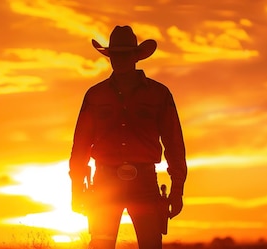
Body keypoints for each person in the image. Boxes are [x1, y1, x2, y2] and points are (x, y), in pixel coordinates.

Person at [69, 25, 188, 249]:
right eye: (115, 54)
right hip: (105, 184)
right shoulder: (95, 95)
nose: (119, 59)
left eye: (125, 54)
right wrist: (76, 188)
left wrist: (178, 189)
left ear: (135, 56)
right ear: (110, 57)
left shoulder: (159, 94)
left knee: (151, 245)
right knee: (101, 245)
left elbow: (174, 143)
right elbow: (81, 145)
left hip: (144, 183)